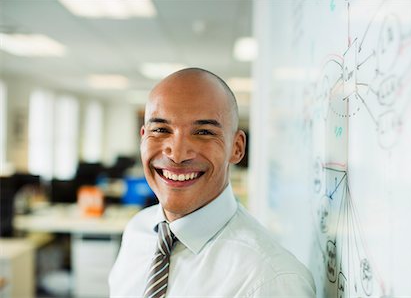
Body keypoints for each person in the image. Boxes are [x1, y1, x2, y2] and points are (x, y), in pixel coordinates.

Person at [109, 68, 316, 297]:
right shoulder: (138, 231)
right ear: (143, 138)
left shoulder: (269, 279)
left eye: (203, 132)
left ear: (236, 148)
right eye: (160, 129)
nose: (177, 154)